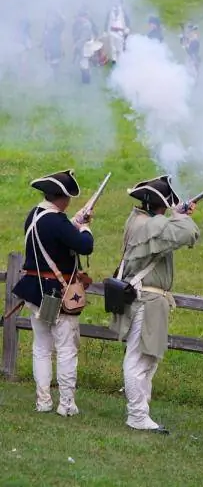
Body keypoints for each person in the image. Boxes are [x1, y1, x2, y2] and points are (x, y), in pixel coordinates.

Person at [110, 175, 200, 433]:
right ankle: (137, 414)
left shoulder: (140, 220)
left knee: (146, 359)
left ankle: (141, 410)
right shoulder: (149, 224)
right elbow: (189, 232)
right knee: (138, 360)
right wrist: (179, 215)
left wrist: (175, 214)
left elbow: (174, 232)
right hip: (146, 300)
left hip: (147, 299)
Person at [12, 169, 94, 416]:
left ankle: (43, 401)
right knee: (67, 348)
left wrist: (75, 223)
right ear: (62, 197)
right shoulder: (57, 222)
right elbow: (85, 246)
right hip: (57, 292)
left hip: (36, 291)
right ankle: (67, 405)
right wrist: (86, 227)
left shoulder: (34, 216)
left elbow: (57, 238)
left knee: (41, 348)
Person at [104, 0, 130, 66]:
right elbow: (107, 21)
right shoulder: (110, 11)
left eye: (117, 1)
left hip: (120, 32)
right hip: (112, 31)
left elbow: (127, 20)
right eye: (114, 1)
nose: (116, 2)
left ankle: (121, 62)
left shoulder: (123, 11)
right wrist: (105, 31)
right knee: (113, 48)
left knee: (120, 48)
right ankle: (114, 62)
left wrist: (127, 28)